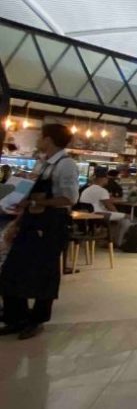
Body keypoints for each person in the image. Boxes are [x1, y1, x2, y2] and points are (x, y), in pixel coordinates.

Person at [0, 123, 79, 340]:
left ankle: (37, 319)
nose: (37, 140)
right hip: (31, 221)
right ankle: (16, 316)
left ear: (49, 139)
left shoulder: (66, 165)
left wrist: (40, 201)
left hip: (52, 223)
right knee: (12, 269)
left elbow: (70, 198)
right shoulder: (41, 163)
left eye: (40, 137)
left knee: (45, 272)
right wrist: (18, 219)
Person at [79, 171, 131, 245]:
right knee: (127, 217)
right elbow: (109, 206)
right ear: (101, 179)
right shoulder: (102, 191)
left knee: (116, 218)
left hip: (87, 215)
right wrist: (119, 214)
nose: (107, 180)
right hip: (99, 214)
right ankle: (118, 242)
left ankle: (110, 239)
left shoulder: (86, 190)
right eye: (106, 178)